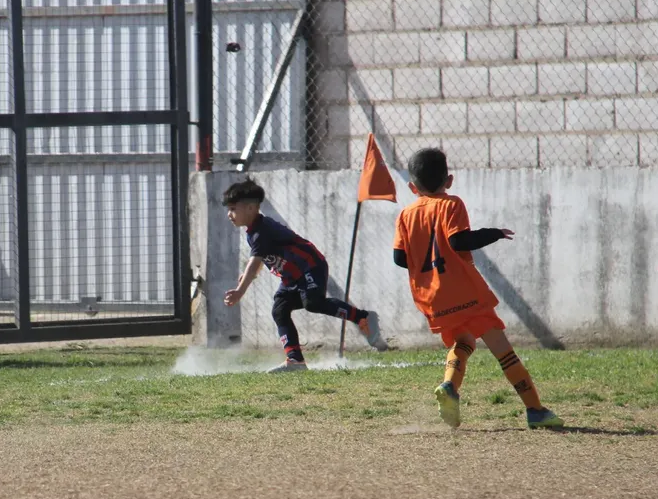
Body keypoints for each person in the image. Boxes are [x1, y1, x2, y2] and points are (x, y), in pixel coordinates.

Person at [392, 147, 563, 428]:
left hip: (433, 299)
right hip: (465, 293)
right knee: (503, 351)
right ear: (449, 180)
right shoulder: (451, 204)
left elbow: (400, 258)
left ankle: (449, 386)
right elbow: (459, 241)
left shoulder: (405, 215)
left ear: (412, 187)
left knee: (464, 342)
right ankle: (535, 410)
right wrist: (493, 234)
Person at [221, 178, 387, 372]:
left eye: (233, 209)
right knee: (279, 310)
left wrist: (240, 291)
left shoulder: (261, 231)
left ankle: (363, 317)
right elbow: (260, 259)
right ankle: (295, 360)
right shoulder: (253, 231)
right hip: (291, 277)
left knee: (313, 303)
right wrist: (249, 275)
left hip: (310, 266)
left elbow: (255, 260)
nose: (229, 214)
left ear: (250, 208)